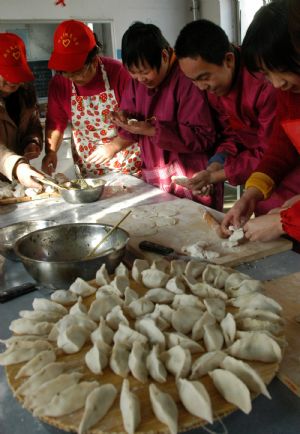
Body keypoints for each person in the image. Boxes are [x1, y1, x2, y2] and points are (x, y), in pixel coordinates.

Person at [93, 22, 222, 209]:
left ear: (164, 56)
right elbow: (131, 117)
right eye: (134, 73)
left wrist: (154, 130)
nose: (140, 79)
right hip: (157, 170)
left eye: (145, 72)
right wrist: (123, 117)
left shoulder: (187, 78)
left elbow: (203, 136)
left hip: (191, 170)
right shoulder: (137, 82)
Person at [174, 19, 277, 208]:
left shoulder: (266, 82)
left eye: (204, 78)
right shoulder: (215, 90)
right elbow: (231, 136)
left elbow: (272, 151)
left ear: (228, 60)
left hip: (284, 173)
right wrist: (213, 167)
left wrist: (217, 176)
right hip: (255, 177)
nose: (201, 87)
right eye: (193, 81)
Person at [221, 0, 300, 242]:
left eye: (282, 69)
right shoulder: (290, 90)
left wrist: (283, 221)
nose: (277, 83)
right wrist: (251, 194)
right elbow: (283, 143)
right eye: (267, 74)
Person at [42, 19, 141, 178]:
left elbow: (139, 120)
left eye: (77, 72)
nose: (73, 78)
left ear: (94, 60)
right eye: (66, 73)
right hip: (89, 166)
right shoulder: (59, 83)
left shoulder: (119, 73)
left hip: (126, 163)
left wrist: (114, 146)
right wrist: (51, 151)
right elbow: (55, 122)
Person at [0, 33, 44, 188]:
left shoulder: (25, 95)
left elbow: (33, 125)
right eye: (5, 74)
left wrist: (32, 141)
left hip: (14, 179)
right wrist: (17, 165)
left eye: (16, 73)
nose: (12, 81)